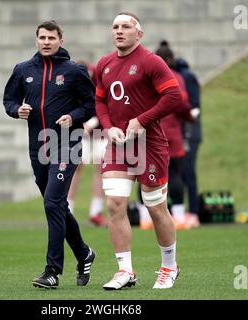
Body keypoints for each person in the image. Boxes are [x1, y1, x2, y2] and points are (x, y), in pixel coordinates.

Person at [3, 20, 96, 289]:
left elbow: (91, 104)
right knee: (56, 205)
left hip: (68, 143)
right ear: (36, 40)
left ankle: (52, 271)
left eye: (51, 38)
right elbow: (9, 100)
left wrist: (74, 115)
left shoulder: (74, 71)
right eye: (42, 37)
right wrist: (15, 110)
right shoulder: (23, 70)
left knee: (52, 203)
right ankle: (84, 253)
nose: (46, 42)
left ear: (60, 41)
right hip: (39, 147)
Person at [95, 12, 183, 289]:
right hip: (118, 145)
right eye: (115, 27)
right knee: (114, 204)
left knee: (156, 208)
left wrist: (141, 120)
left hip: (150, 144)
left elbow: (173, 96)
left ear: (139, 34)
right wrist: (108, 127)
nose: (119, 31)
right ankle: (125, 271)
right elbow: (100, 102)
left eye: (125, 26)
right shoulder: (104, 64)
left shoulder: (151, 61)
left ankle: (169, 266)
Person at [155, 42, 199, 230]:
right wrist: (190, 116)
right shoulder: (177, 77)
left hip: (151, 132)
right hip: (172, 132)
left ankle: (145, 218)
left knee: (146, 176)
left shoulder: (147, 75)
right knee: (174, 174)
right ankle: (179, 217)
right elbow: (180, 102)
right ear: (171, 59)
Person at [67, 61, 107, 227]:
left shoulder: (98, 81)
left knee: (100, 169)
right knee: (75, 169)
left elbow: (103, 103)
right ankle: (68, 210)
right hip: (80, 132)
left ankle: (95, 211)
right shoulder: (71, 83)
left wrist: (95, 120)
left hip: (99, 133)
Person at [173, 56, 202, 226]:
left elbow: (193, 106)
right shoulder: (183, 75)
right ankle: (185, 212)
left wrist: (189, 124)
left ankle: (193, 213)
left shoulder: (186, 76)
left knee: (187, 173)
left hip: (189, 132)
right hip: (183, 131)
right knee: (180, 173)